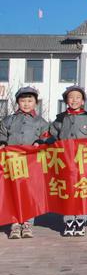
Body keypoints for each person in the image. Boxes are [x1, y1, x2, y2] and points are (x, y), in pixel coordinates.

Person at [0, 87, 51, 239]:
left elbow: (46, 136)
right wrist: (2, 142)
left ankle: (28, 222)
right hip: (12, 161)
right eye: (23, 101)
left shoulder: (41, 122)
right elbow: (2, 133)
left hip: (31, 163)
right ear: (17, 102)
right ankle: (15, 222)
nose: (26, 104)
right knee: (14, 191)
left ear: (36, 103)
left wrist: (39, 141)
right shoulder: (8, 120)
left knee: (30, 192)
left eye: (30, 101)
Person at [49, 86, 87, 237]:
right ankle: (69, 220)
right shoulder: (60, 119)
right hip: (65, 162)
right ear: (66, 101)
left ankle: (81, 220)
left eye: (78, 97)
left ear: (83, 101)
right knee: (68, 191)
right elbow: (53, 136)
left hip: (83, 163)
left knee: (83, 190)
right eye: (71, 97)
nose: (74, 100)